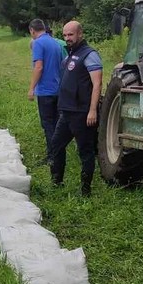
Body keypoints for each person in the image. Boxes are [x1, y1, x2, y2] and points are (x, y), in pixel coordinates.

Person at [50, 20, 103, 196]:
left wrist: (93, 110)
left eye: (70, 34)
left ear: (80, 34)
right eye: (64, 35)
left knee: (85, 152)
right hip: (66, 112)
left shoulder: (90, 55)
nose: (67, 38)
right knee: (56, 145)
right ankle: (56, 182)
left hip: (82, 114)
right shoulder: (70, 55)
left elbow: (97, 85)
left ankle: (86, 191)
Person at [27, 18, 64, 165]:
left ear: (32, 30)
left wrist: (31, 88)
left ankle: (52, 157)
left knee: (48, 125)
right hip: (57, 90)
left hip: (45, 91)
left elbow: (39, 67)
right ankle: (58, 153)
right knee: (55, 124)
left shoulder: (38, 43)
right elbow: (63, 66)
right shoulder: (55, 43)